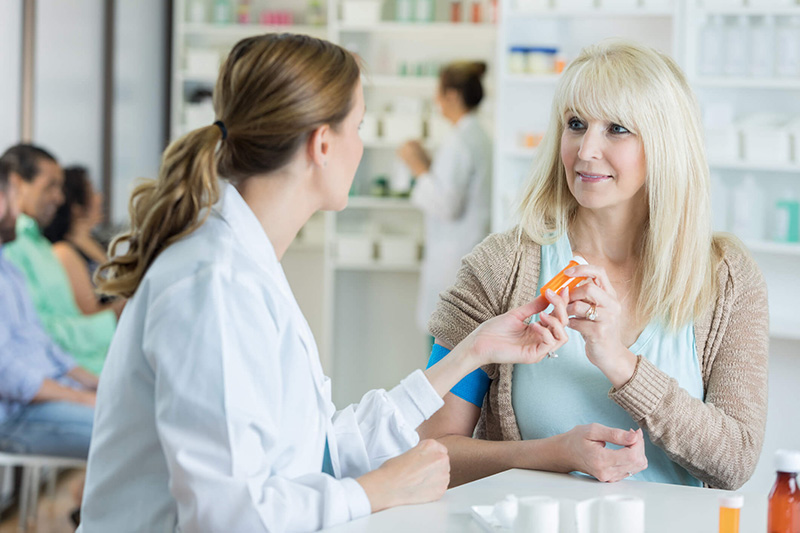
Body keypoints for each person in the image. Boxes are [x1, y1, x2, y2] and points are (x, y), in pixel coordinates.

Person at [77, 34, 572, 533]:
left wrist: (472, 352)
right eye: (357, 126)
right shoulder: (215, 285)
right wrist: (377, 490)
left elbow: (321, 448)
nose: (359, 143)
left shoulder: (246, 263)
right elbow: (227, 516)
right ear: (322, 143)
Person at [418, 40, 769, 491]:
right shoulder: (502, 267)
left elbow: (735, 461)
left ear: (665, 145)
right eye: (576, 124)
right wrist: (549, 456)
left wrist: (619, 363)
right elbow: (431, 453)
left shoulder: (726, 278)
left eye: (617, 129)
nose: (585, 151)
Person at [0, 160, 97, 460]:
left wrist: (96, 385)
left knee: (138, 419)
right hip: (16, 416)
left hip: (42, 401)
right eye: (14, 197)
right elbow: (7, 375)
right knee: (135, 435)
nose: (21, 210)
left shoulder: (8, 268)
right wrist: (81, 398)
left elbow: (42, 341)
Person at [0, 145, 118, 375]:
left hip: (81, 366)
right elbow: (42, 334)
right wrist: (114, 318)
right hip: (63, 372)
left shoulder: (41, 245)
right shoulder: (12, 247)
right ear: (17, 184)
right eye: (50, 185)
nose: (59, 197)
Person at [396, 61, 492, 336]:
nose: (436, 100)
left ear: (451, 96)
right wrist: (427, 167)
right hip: (465, 250)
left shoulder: (460, 141)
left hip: (453, 259)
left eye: (439, 93)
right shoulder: (477, 136)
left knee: (444, 342)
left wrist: (418, 167)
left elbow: (448, 206)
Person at [43, 166, 122, 314]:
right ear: (75, 207)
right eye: (92, 192)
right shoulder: (64, 252)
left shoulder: (94, 242)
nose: (100, 197)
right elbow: (90, 314)